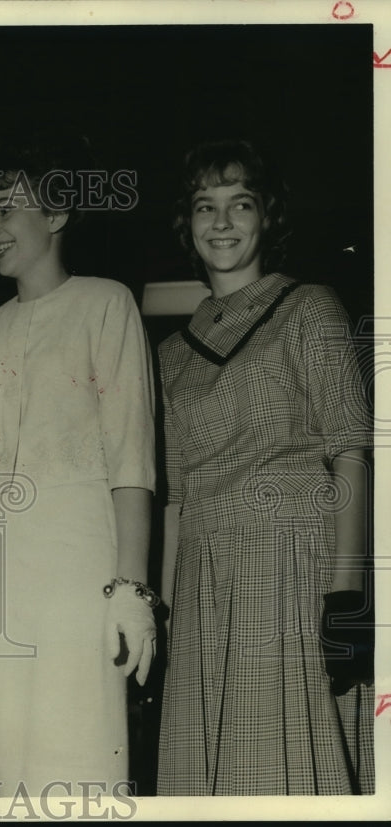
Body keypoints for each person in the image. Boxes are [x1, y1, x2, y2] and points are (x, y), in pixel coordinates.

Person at [157, 139, 374, 795]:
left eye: (240, 203)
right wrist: (166, 615)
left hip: (291, 572)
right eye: (205, 206)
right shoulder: (171, 351)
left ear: (267, 216)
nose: (221, 223)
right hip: (202, 581)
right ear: (188, 224)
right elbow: (175, 498)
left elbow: (351, 450)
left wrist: (346, 594)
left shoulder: (311, 307)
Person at [0, 141, 158, 797]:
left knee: (75, 768)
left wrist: (132, 588)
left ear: (59, 212)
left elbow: (132, 456)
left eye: (7, 209)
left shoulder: (106, 304)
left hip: (78, 572)